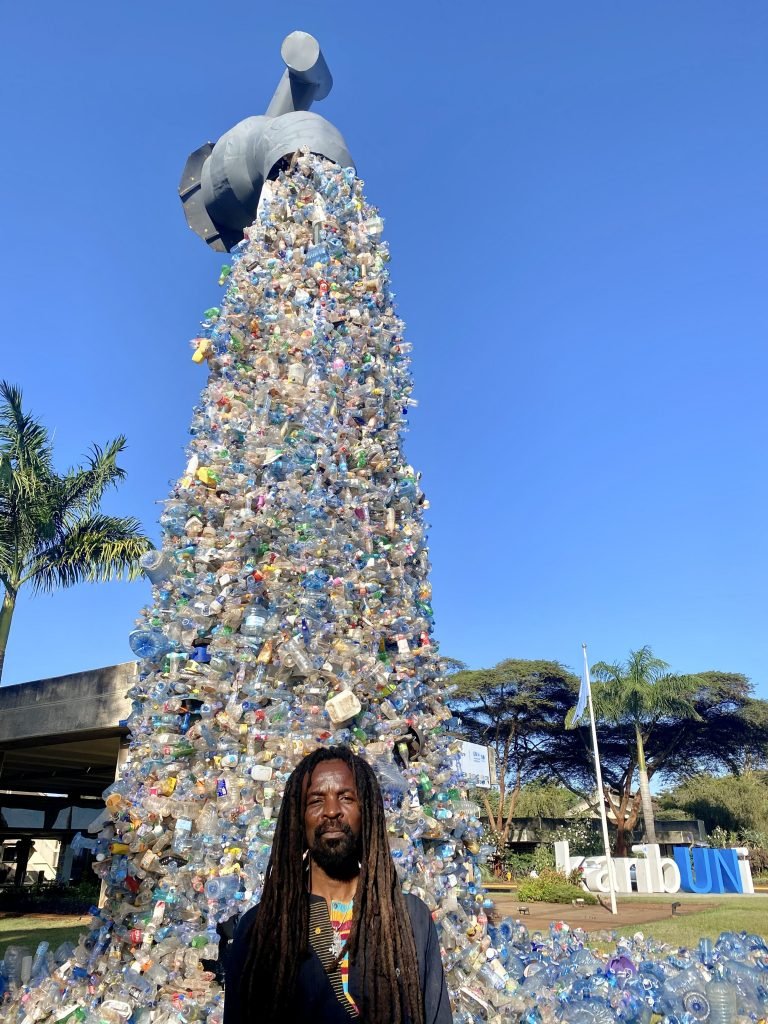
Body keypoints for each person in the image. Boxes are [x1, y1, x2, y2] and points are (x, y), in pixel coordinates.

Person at [224, 744, 453, 1024]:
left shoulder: (410, 919)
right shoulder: (261, 929)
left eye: (346, 798)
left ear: (366, 811)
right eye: (316, 800)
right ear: (298, 818)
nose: (332, 811)